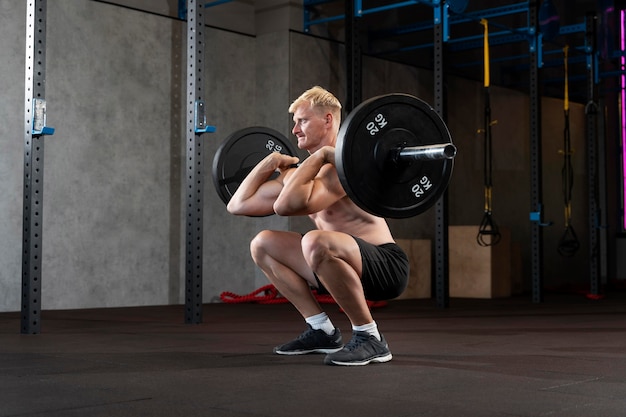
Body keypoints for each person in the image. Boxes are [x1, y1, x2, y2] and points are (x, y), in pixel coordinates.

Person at [227, 86, 409, 366]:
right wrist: (271, 162)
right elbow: (237, 204)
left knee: (315, 240)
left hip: (383, 265)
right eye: (294, 122)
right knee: (262, 243)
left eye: (303, 120)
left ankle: (370, 337)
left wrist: (323, 157)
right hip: (334, 262)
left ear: (328, 120)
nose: (295, 129)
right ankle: (321, 330)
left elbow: (290, 206)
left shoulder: (346, 165)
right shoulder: (307, 170)